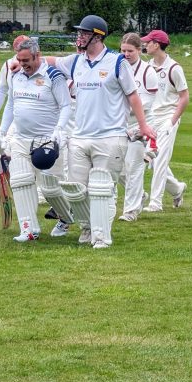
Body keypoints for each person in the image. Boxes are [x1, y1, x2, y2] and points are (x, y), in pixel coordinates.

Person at [48, 15, 155, 248]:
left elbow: (133, 95)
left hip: (111, 137)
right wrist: (16, 60)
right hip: (80, 136)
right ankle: (87, 228)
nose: (79, 36)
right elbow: (50, 61)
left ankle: (101, 235)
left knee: (103, 189)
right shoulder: (76, 61)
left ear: (97, 36)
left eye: (84, 33)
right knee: (76, 190)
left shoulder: (117, 62)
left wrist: (143, 125)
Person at [0, 38, 72, 241]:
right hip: (21, 139)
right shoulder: (16, 75)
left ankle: (66, 218)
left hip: (47, 140)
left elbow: (66, 106)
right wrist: (2, 133)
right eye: (19, 60)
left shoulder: (54, 76)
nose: (23, 65)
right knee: (21, 182)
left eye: (26, 60)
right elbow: (11, 104)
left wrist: (59, 129)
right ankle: (29, 229)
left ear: (38, 56)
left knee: (50, 188)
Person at [140, 30, 189, 213]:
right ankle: (177, 189)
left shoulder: (174, 68)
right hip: (151, 119)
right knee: (152, 162)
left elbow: (184, 97)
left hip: (168, 118)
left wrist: (172, 122)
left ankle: (155, 202)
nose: (145, 45)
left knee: (159, 159)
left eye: (148, 42)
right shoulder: (147, 66)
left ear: (157, 44)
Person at [0, 34, 31, 203]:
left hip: (37, 121)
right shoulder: (9, 66)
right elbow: (4, 92)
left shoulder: (40, 67)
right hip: (16, 118)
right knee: (4, 150)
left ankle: (40, 193)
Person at [117, 33, 159, 221]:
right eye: (123, 50)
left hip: (139, 125)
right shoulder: (116, 66)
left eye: (130, 51)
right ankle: (140, 195)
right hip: (118, 124)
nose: (126, 54)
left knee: (134, 167)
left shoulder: (147, 72)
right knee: (116, 167)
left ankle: (131, 211)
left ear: (139, 50)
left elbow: (148, 103)